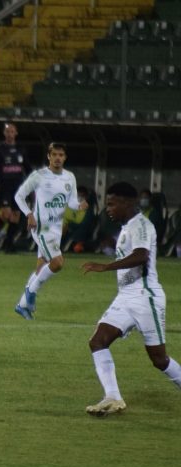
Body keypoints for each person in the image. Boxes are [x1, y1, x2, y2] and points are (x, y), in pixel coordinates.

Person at [81, 182, 181, 416]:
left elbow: (141, 256)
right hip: (126, 297)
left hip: (145, 298)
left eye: (112, 204)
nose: (108, 209)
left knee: (159, 359)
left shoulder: (142, 225)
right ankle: (113, 397)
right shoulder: (127, 227)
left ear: (127, 203)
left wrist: (106, 266)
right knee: (98, 341)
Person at [13, 142, 88, 320]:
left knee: (42, 266)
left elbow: (70, 202)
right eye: (54, 154)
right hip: (41, 227)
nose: (57, 158)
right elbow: (19, 196)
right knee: (57, 262)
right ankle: (30, 292)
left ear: (65, 157)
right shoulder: (39, 176)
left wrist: (79, 205)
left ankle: (22, 305)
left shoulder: (69, 177)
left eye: (61, 155)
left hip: (56, 229)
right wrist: (29, 214)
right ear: (49, 156)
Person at [0, 122, 31, 252]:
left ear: (16, 133)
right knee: (5, 214)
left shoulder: (21, 149)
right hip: (4, 186)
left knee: (15, 216)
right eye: (7, 131)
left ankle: (9, 244)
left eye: (12, 131)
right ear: (4, 133)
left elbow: (27, 168)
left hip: (18, 187)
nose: (9, 134)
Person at [61, 185, 96, 253]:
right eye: (78, 195)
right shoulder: (68, 207)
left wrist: (69, 225)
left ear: (86, 197)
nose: (79, 197)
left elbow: (84, 225)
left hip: (78, 233)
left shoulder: (88, 211)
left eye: (82, 196)